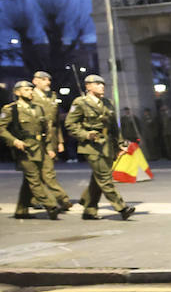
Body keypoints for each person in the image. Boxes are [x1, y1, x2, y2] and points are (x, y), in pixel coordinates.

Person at [65, 75, 135, 220]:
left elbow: (114, 127)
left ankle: (89, 209)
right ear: (88, 86)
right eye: (97, 84)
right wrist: (85, 134)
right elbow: (70, 124)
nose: (102, 86)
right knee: (104, 177)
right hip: (91, 145)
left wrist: (120, 144)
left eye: (102, 84)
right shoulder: (80, 103)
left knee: (98, 178)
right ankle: (122, 207)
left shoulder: (107, 103)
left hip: (107, 145)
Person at [0, 80, 62, 219]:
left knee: (29, 181)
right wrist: (14, 140)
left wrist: (49, 147)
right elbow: (1, 128)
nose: (30, 92)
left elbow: (46, 130)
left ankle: (21, 210)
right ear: (17, 92)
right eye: (26, 90)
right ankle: (51, 205)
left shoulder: (38, 108)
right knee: (34, 179)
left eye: (31, 90)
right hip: (24, 149)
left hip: (39, 148)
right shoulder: (11, 109)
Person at [28, 71, 72, 212]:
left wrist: (59, 141)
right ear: (35, 81)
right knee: (43, 171)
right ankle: (60, 199)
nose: (47, 82)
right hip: (35, 138)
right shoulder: (29, 96)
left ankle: (35, 199)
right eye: (44, 80)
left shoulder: (52, 96)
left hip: (50, 138)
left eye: (48, 80)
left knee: (43, 170)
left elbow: (55, 123)